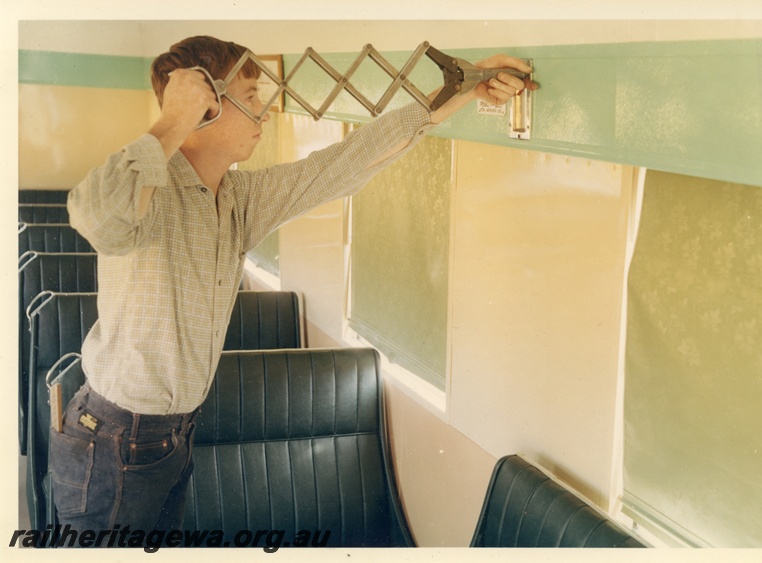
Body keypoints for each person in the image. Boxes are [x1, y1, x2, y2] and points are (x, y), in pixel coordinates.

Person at [51, 35, 537, 543]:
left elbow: (343, 164)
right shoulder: (151, 193)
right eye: (253, 96)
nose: (265, 111)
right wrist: (174, 120)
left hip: (172, 435)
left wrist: (462, 89)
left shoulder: (238, 197)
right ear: (207, 106)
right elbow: (95, 215)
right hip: (111, 440)